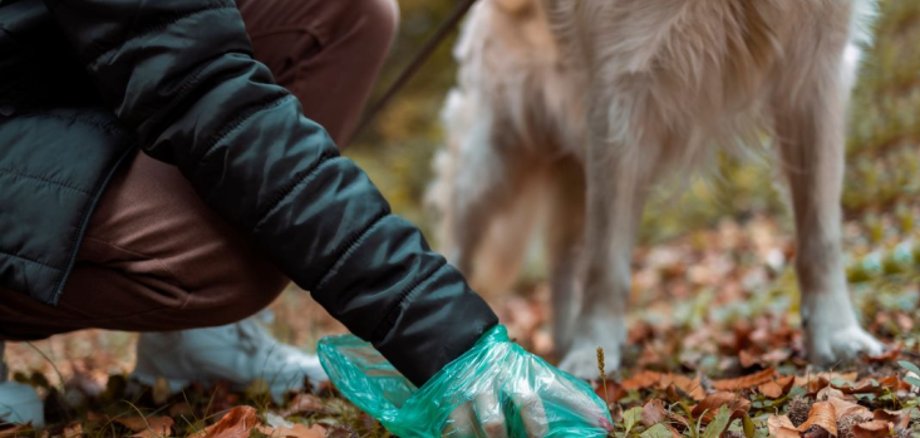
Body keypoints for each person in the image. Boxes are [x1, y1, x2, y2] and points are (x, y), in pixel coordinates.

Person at [0, 0, 606, 433]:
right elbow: (202, 89)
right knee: (225, 261)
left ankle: (193, 347)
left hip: (37, 59)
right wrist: (449, 338)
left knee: (351, 12)